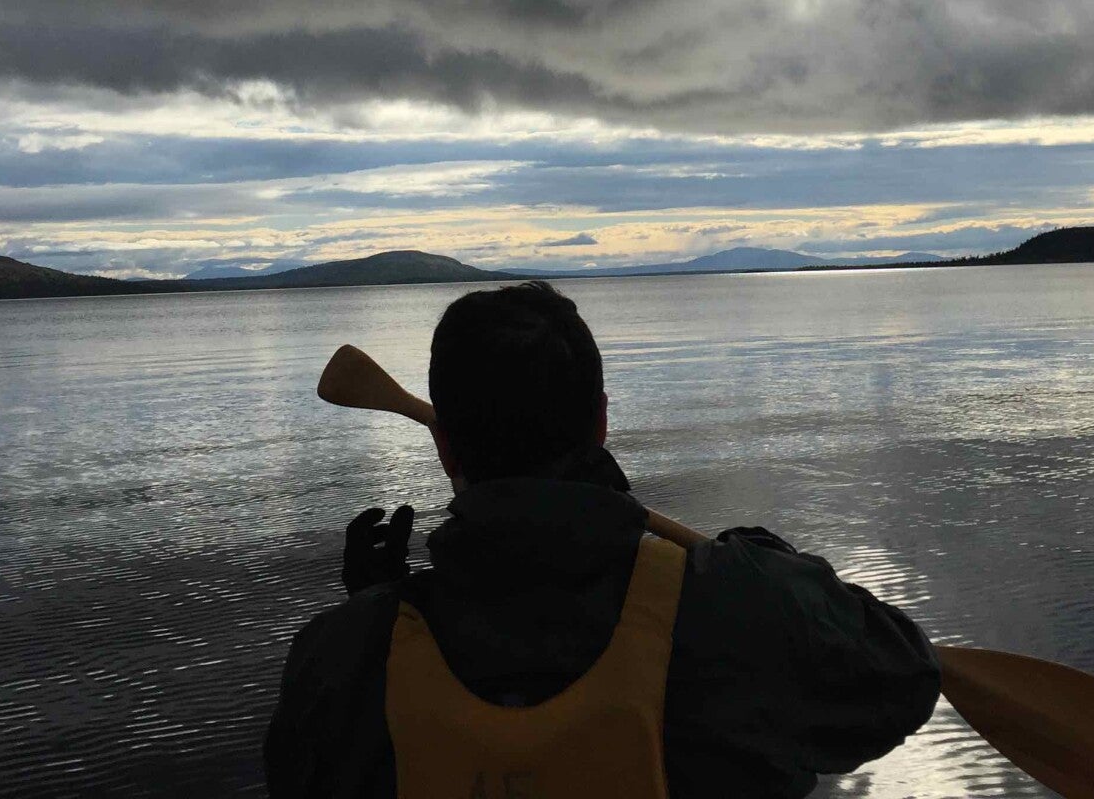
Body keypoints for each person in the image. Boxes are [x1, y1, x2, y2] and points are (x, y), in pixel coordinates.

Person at [264, 280, 941, 798]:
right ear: (602, 423)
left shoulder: (341, 657)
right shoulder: (736, 604)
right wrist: (762, 562)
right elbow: (902, 677)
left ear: (446, 448)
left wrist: (378, 609)